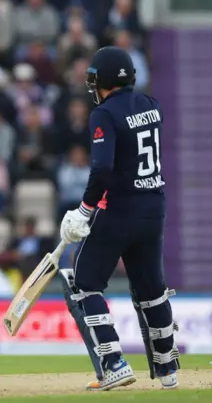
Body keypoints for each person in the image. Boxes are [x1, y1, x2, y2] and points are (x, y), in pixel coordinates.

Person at [58, 47, 179, 391]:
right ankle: (168, 369)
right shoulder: (152, 105)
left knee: (84, 282)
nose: (92, 87)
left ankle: (114, 363)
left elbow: (103, 167)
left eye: (95, 80)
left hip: (121, 210)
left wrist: (84, 210)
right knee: (151, 290)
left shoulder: (104, 114)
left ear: (106, 80)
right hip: (154, 207)